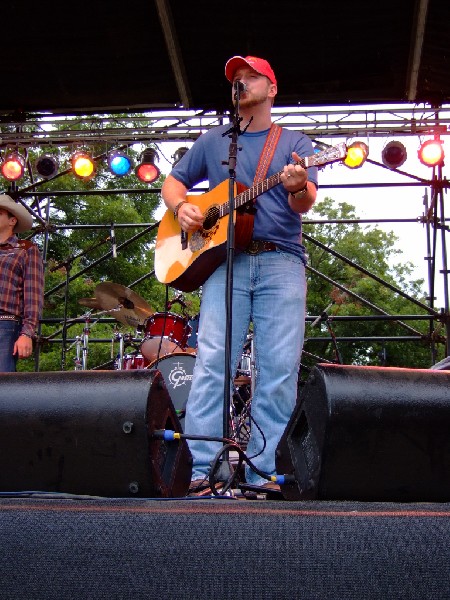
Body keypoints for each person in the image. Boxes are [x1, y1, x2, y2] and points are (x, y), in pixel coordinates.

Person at [161, 55, 318, 495]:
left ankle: (262, 471)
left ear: (271, 88)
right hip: (225, 263)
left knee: (278, 369)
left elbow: (305, 203)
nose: (241, 83)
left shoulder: (295, 142)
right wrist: (181, 207)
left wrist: (297, 185)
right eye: (236, 79)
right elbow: (172, 184)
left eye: (251, 77)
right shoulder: (214, 142)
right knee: (213, 364)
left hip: (281, 262)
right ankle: (202, 469)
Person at [0, 194, 44, 372]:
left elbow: (33, 296)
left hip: (5, 325)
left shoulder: (26, 249)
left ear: (12, 221)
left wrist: (27, 333)